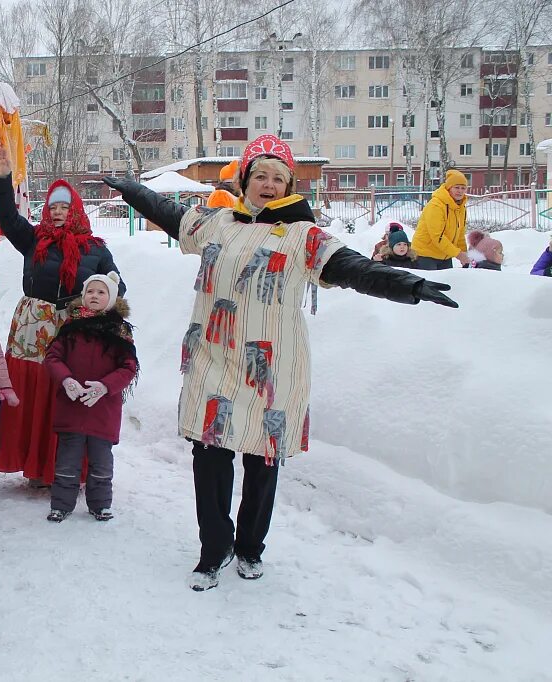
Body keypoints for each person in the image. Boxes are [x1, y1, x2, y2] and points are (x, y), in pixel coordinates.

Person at [104, 134, 458, 591]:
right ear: (245, 181)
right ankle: (215, 549)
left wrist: (404, 285)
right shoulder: (217, 223)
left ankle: (251, 547)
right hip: (214, 357)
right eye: (260, 175)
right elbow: (170, 214)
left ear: (290, 185)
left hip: (269, 368)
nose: (268, 184)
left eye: (278, 177)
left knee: (261, 460)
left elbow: (352, 267)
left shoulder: (303, 235)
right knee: (208, 456)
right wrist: (132, 189)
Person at [0, 146, 126, 487]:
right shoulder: (33, 239)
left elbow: (117, 288)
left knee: (64, 393)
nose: (60, 212)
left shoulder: (95, 248)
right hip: (33, 328)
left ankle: (63, 469)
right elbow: (6, 216)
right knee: (32, 392)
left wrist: (95, 309)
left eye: (65, 206)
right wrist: (2, 178)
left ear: (76, 209)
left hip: (73, 330)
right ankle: (34, 466)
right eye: (54, 207)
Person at [43, 271, 138, 523]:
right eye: (90, 291)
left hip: (103, 410)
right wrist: (66, 379)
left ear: (112, 297)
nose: (95, 296)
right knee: (67, 462)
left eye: (101, 292)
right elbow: (53, 358)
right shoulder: (71, 326)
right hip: (71, 407)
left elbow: (128, 367)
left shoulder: (119, 331)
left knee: (101, 463)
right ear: (83, 296)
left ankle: (100, 504)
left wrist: (105, 387)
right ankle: (61, 505)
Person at [410, 169, 469, 270]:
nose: (460, 191)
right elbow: (437, 236)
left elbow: (459, 234)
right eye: (456, 187)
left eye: (463, 188)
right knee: (430, 285)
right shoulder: (436, 206)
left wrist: (464, 254)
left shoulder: (460, 208)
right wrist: (458, 254)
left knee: (446, 284)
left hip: (445, 255)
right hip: (425, 254)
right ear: (449, 188)